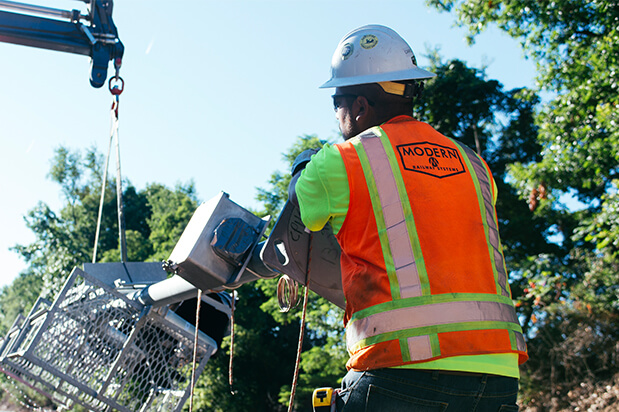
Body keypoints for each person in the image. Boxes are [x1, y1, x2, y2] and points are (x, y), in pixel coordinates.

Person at [289, 25, 528, 411]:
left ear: (360, 106)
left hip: (402, 371)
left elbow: (305, 214)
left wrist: (305, 163)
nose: (337, 115)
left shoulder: (341, 160)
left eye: (337, 102)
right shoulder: (475, 165)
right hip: (498, 375)